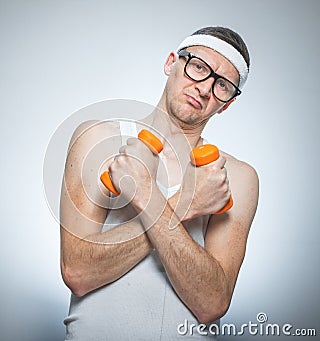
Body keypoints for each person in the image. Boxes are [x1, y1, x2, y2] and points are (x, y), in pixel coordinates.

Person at [59, 26, 259, 340]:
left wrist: (149, 199)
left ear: (227, 103)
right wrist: (187, 203)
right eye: (198, 67)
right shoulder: (99, 139)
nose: (205, 88)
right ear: (171, 63)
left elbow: (212, 304)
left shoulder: (234, 177)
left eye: (222, 85)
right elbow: (78, 273)